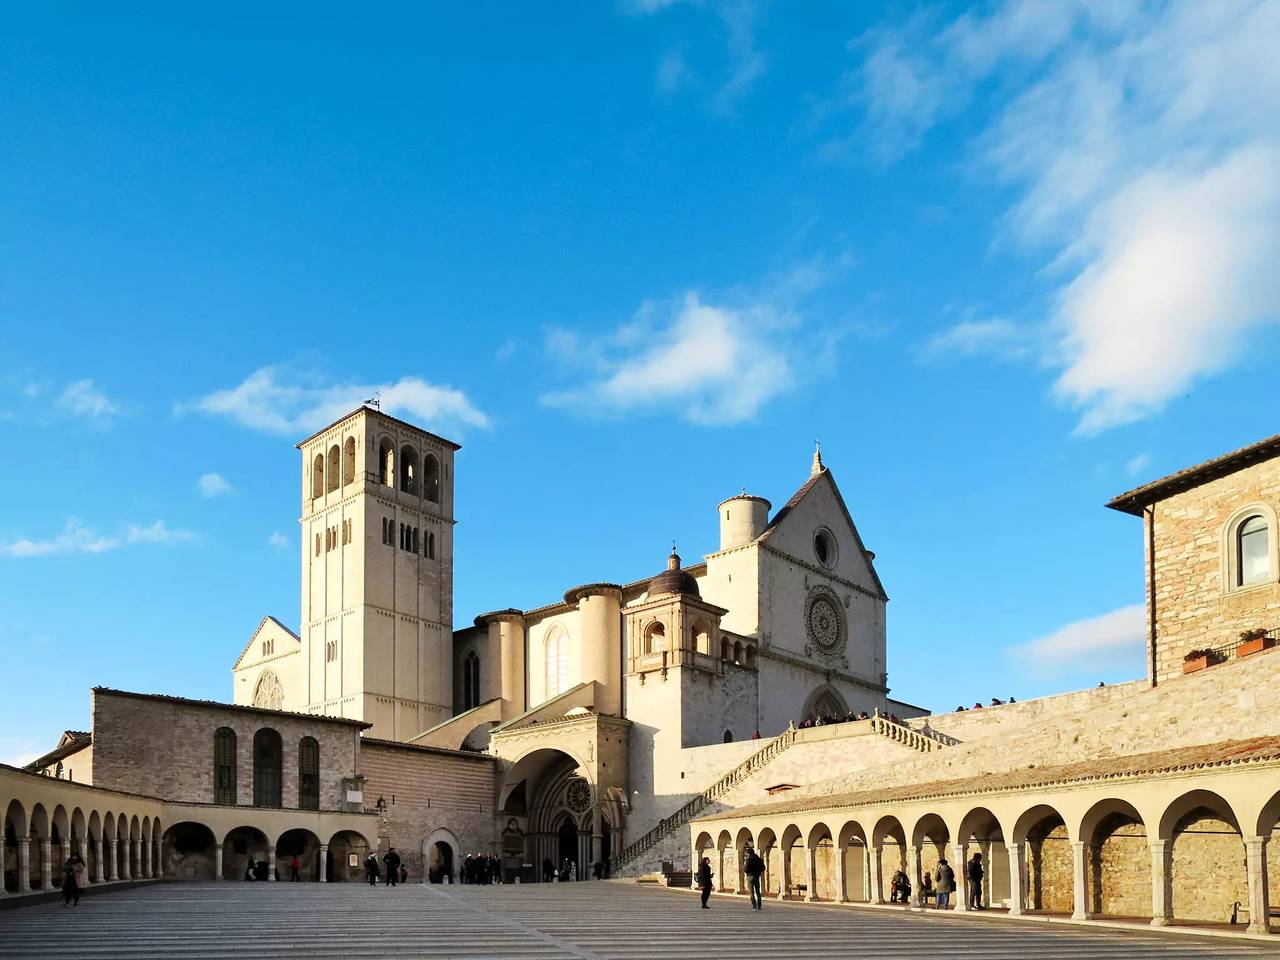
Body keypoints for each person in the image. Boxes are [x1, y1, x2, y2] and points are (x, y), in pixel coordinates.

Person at [743, 843, 765, 911]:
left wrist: (747, 871)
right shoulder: (759, 859)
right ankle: (759, 905)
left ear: (748, 853)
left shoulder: (748, 859)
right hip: (757, 876)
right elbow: (763, 867)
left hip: (750, 876)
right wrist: (758, 872)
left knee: (751, 892)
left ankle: (754, 906)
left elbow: (745, 869)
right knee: (758, 891)